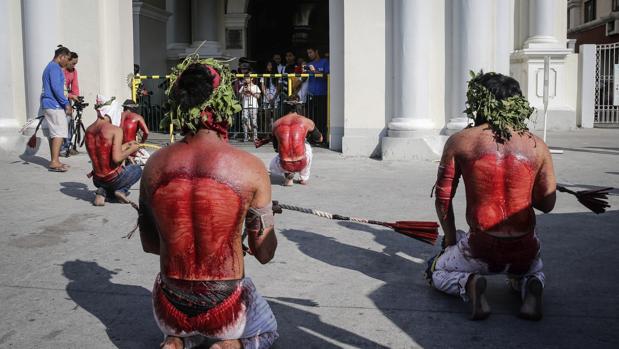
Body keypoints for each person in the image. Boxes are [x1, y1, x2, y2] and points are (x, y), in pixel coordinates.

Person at [139, 58, 278, 349]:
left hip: (170, 303)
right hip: (226, 304)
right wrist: (263, 218)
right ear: (224, 106)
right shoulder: (250, 167)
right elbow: (264, 253)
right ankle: (227, 345)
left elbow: (151, 245)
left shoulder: (154, 165)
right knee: (266, 333)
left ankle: (175, 341)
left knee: (182, 326)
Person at [427, 72, 556, 321]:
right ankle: (530, 286)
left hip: (480, 247)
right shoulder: (537, 145)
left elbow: (443, 199)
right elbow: (547, 204)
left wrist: (451, 240)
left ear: (478, 103)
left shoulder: (460, 142)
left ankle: (470, 284)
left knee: (436, 271)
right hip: (524, 247)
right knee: (534, 270)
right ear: (517, 104)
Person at [85, 95, 142, 206]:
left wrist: (126, 145)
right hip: (113, 178)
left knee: (106, 182)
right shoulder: (115, 130)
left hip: (97, 179)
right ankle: (121, 191)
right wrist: (132, 149)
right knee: (137, 169)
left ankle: (102, 191)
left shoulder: (88, 130)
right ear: (111, 111)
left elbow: (104, 152)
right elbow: (116, 159)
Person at [41, 45, 73, 172]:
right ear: (61, 57)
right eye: (67, 58)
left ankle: (55, 160)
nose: (68, 61)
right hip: (54, 105)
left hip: (50, 104)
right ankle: (54, 161)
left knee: (55, 133)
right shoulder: (54, 68)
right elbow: (56, 88)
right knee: (59, 132)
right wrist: (66, 103)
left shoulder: (50, 67)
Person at [268, 112, 322, 186]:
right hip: (302, 163)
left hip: (284, 165)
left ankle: (288, 179)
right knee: (307, 146)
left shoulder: (276, 124)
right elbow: (319, 139)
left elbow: (276, 149)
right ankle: (304, 178)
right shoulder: (306, 121)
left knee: (282, 152)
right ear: (297, 112)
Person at [305, 47, 329, 139]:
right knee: (311, 117)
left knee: (322, 117)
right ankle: (312, 137)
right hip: (310, 95)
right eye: (308, 53)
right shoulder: (309, 64)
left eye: (310, 52)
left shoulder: (325, 62)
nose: (309, 55)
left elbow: (328, 76)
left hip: (322, 94)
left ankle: (322, 138)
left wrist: (314, 71)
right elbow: (304, 79)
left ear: (316, 51)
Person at [120, 99, 150, 164]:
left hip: (119, 148)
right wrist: (141, 143)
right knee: (149, 160)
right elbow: (146, 132)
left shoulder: (118, 115)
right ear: (133, 108)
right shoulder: (138, 117)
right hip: (131, 148)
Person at [62, 51, 80, 155]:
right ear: (67, 60)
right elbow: (60, 89)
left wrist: (76, 98)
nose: (74, 66)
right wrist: (70, 96)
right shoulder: (61, 70)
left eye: (76, 64)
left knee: (70, 122)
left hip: (67, 97)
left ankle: (68, 145)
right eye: (73, 63)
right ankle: (63, 147)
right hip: (60, 97)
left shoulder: (74, 71)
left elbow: (75, 86)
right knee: (65, 122)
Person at [239, 77, 261, 142]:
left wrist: (251, 91)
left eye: (248, 78)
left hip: (253, 106)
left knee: (253, 122)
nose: (246, 79)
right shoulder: (243, 87)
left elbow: (258, 96)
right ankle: (246, 137)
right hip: (245, 106)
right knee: (244, 121)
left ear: (251, 78)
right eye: (245, 78)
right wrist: (243, 92)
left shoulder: (256, 86)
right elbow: (240, 97)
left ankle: (255, 137)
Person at [261, 61, 280, 129]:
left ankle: (274, 134)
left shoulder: (278, 76)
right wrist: (267, 97)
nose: (269, 67)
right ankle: (267, 134)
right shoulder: (264, 75)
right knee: (267, 118)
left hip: (275, 99)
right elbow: (263, 87)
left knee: (275, 118)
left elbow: (279, 87)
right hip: (266, 99)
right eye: (268, 65)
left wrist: (274, 98)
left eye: (271, 65)